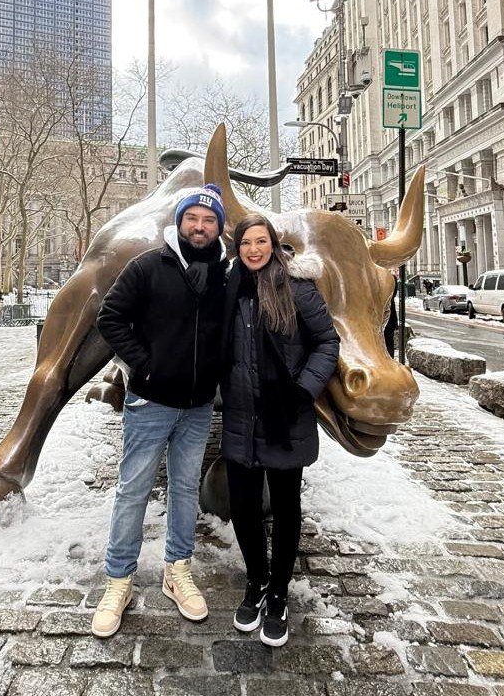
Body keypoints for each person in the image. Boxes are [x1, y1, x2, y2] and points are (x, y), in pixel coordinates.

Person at [92, 183, 229, 639]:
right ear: (180, 221)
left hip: (197, 406)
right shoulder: (149, 266)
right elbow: (110, 317)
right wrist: (144, 363)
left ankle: (178, 570)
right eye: (193, 218)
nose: (200, 226)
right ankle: (119, 580)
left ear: (218, 228)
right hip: (150, 402)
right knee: (133, 491)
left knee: (185, 490)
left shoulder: (224, 275)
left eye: (209, 220)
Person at [220, 213, 340, 647]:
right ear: (237, 248)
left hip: (285, 416)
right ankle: (256, 580)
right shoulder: (229, 288)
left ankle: (278, 594)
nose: (253, 250)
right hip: (240, 415)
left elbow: (326, 342)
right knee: (244, 507)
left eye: (261, 241)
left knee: (286, 510)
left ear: (273, 244)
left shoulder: (297, 288)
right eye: (245, 243)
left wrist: (304, 390)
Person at [383, 273, 399, 358]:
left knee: (387, 341)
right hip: (390, 319)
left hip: (387, 319)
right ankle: (389, 358)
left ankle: (388, 359)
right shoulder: (392, 278)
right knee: (389, 342)